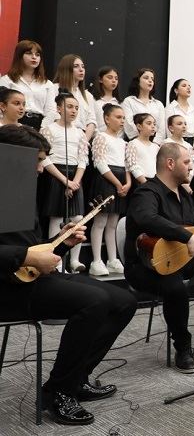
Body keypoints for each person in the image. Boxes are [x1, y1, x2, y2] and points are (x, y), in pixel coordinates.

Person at [0, 124, 136, 426]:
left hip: (29, 279)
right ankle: (58, 392)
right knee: (95, 300)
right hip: (6, 289)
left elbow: (34, 252)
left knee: (124, 301)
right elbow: (24, 255)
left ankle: (76, 378)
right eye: (37, 161)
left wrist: (61, 243)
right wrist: (27, 256)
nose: (41, 169)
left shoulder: (20, 193)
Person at [124, 143, 194, 373]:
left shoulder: (184, 194)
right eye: (186, 162)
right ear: (170, 163)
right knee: (175, 288)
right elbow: (147, 218)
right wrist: (186, 236)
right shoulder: (146, 192)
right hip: (146, 267)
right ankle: (183, 347)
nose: (190, 167)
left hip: (181, 260)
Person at [40, 93, 88, 272]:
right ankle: (56, 261)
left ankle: (75, 260)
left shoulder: (79, 133)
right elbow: (45, 158)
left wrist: (75, 181)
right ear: (59, 108)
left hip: (75, 176)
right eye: (69, 106)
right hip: (56, 174)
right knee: (57, 217)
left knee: (78, 218)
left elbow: (83, 159)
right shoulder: (49, 129)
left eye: (76, 107)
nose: (73, 110)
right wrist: (64, 181)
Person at [89, 104, 130, 276]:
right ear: (107, 118)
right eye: (118, 117)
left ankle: (112, 259)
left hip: (121, 181)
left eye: (123, 118)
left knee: (113, 223)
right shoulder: (101, 137)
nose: (122, 121)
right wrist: (117, 183)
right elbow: (100, 163)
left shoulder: (123, 142)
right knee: (100, 222)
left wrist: (127, 183)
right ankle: (96, 260)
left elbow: (127, 165)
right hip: (106, 180)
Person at [0, 40, 57, 130]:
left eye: (37, 55)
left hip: (39, 125)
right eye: (29, 53)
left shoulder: (47, 84)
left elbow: (51, 111)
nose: (34, 57)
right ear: (19, 56)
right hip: (13, 124)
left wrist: (42, 129)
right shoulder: (7, 80)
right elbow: (2, 106)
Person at [52, 54, 97, 142]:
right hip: (60, 135)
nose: (81, 69)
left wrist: (84, 142)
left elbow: (91, 121)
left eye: (83, 67)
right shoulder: (54, 88)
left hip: (81, 137)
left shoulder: (88, 96)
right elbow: (52, 113)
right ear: (66, 69)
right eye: (76, 66)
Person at [121, 68, 165, 144]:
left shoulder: (158, 104)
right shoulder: (129, 101)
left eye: (152, 79)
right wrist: (140, 140)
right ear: (138, 81)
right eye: (146, 78)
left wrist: (155, 143)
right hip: (135, 142)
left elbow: (161, 128)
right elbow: (128, 123)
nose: (150, 81)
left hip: (154, 143)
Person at [125, 113, 159, 187]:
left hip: (155, 182)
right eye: (149, 123)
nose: (153, 126)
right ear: (139, 126)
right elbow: (132, 165)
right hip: (140, 182)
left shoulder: (156, 147)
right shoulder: (133, 144)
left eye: (154, 124)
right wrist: (145, 183)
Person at [165, 78, 194, 146]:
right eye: (184, 86)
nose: (188, 88)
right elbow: (168, 131)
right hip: (175, 144)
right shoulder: (170, 108)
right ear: (176, 90)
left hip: (192, 145)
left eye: (189, 86)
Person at [90, 66, 120, 133]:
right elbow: (91, 121)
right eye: (110, 77)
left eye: (116, 78)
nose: (114, 81)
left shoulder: (119, 103)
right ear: (100, 79)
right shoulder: (93, 100)